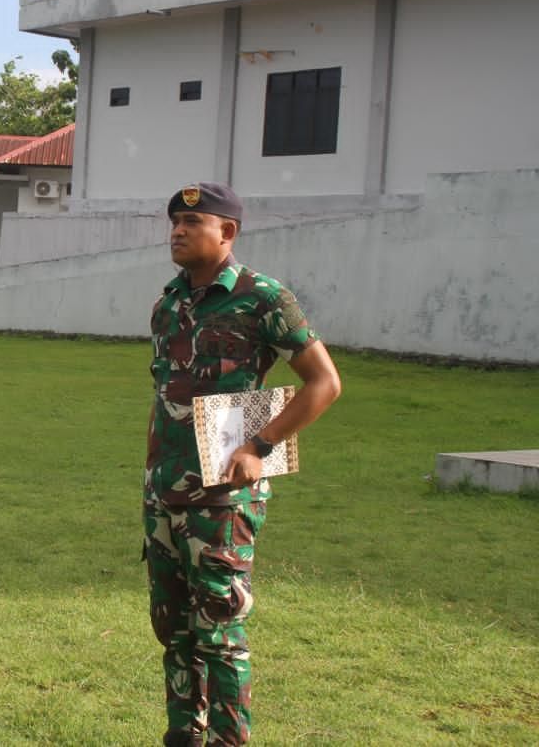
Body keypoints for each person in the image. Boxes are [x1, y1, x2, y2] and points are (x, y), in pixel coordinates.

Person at [144, 183, 341, 746]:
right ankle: (183, 735)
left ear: (227, 232)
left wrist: (261, 445)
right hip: (164, 490)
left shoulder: (263, 299)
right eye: (174, 222)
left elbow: (324, 383)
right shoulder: (168, 304)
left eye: (193, 222)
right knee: (173, 631)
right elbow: (166, 394)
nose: (178, 231)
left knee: (220, 634)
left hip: (223, 497)